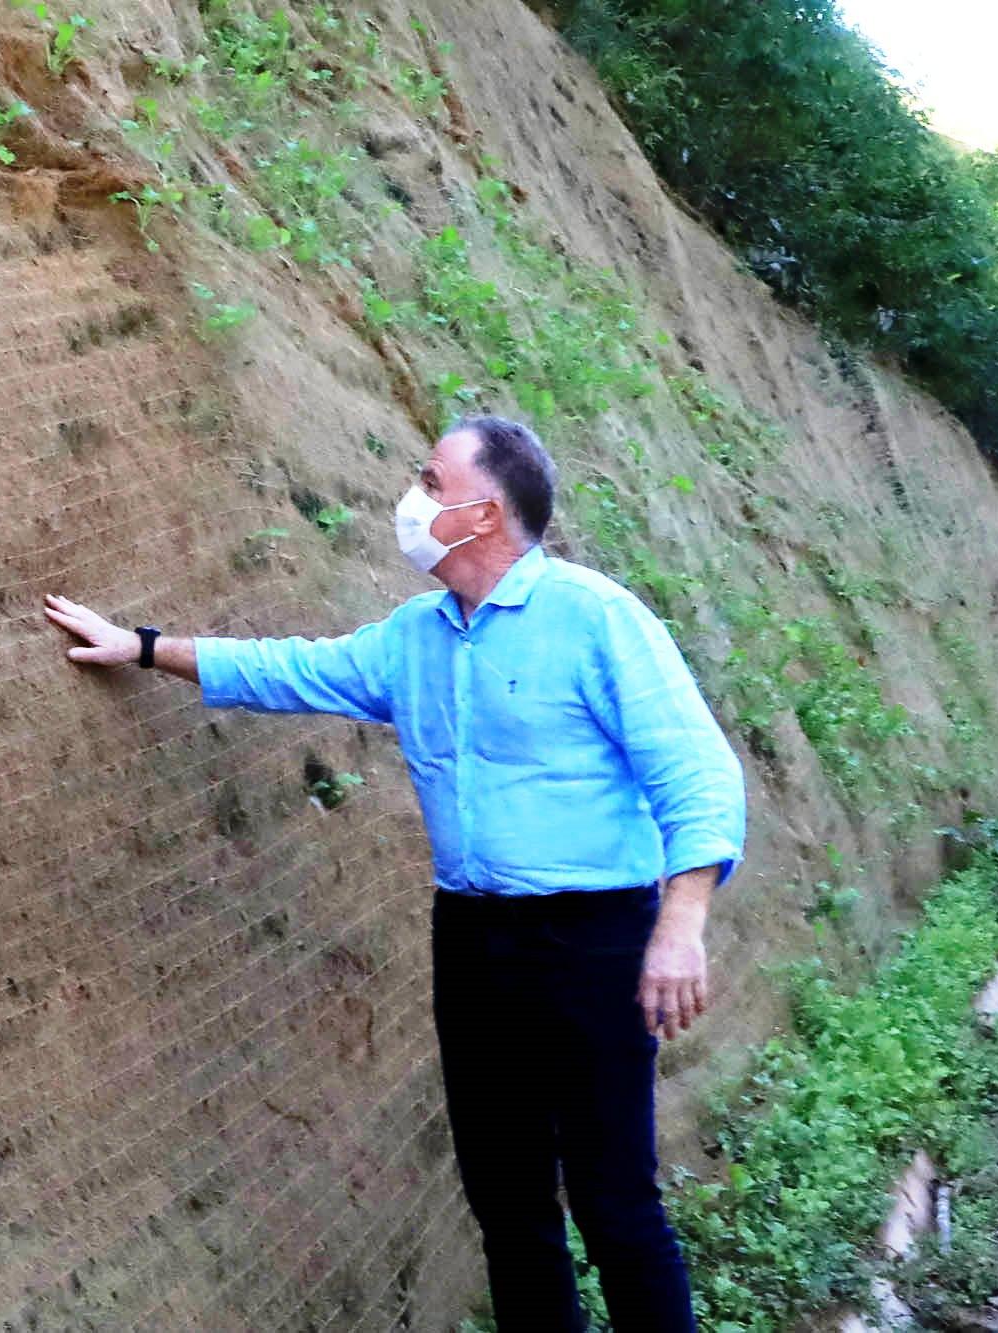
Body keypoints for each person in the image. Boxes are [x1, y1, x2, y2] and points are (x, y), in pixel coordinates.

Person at [43, 415, 746, 1332]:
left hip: (595, 939)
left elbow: (696, 773)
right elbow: (288, 668)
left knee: (615, 1202)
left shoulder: (596, 620)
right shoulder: (417, 636)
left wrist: (680, 923)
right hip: (473, 941)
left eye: (429, 480)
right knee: (509, 1206)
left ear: (484, 514)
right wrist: (140, 645)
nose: (409, 499)